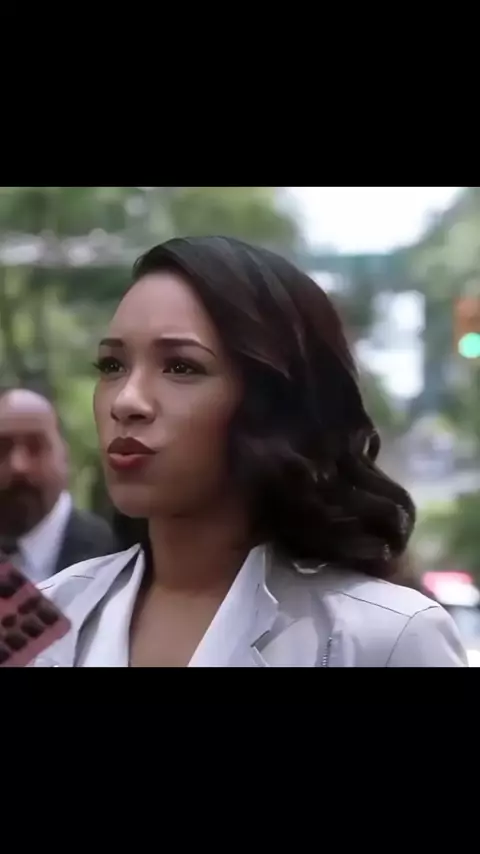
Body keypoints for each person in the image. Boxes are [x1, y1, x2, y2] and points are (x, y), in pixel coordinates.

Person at [32, 236, 466, 667]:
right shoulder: (44, 620)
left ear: (272, 402)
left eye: (181, 366)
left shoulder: (386, 637)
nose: (126, 400)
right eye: (112, 365)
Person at [0, 388, 116, 582]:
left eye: (36, 446)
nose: (18, 466)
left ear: (65, 456)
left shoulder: (116, 557)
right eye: (2, 448)